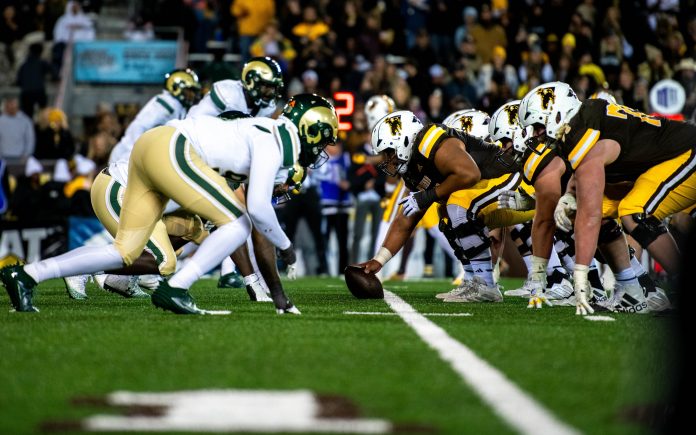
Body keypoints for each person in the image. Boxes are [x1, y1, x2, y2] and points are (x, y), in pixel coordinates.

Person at [1, 93, 338, 315]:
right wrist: (287, 248)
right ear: (311, 130)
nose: (321, 151)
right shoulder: (276, 138)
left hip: (155, 152)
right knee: (236, 224)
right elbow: (260, 213)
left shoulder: (255, 136)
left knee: (125, 253)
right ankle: (176, 289)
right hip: (168, 148)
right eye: (324, 140)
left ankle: (27, 274)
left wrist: (277, 295)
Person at [517, 81, 696, 314]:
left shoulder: (584, 132)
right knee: (587, 211)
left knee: (634, 212)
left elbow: (590, 213)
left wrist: (580, 277)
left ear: (558, 113)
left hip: (685, 152)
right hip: (657, 165)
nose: (536, 134)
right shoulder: (579, 128)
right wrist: (570, 197)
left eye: (538, 125)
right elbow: (583, 184)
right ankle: (633, 288)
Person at [359, 110, 515, 303]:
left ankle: (486, 284)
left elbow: (469, 174)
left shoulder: (430, 141)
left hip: (512, 182)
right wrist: (379, 260)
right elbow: (406, 219)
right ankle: (471, 280)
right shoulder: (413, 168)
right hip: (491, 192)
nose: (386, 160)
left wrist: (428, 196)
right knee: (446, 211)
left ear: (404, 140)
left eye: (389, 152)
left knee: (456, 204)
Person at [0, 97, 35, 164]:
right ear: (6, 107)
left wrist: (26, 154)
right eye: (9, 106)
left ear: (17, 107)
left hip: (21, 157)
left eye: (13, 106)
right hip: (3, 157)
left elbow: (30, 139)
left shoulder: (25, 121)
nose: (11, 108)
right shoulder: (1, 121)